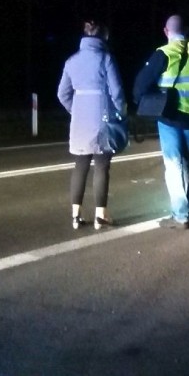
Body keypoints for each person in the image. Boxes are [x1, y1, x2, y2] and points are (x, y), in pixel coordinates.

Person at [133, 14, 189, 229]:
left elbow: (140, 86)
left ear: (166, 32)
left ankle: (181, 214)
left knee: (173, 165)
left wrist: (144, 102)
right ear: (186, 30)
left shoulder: (164, 54)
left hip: (169, 116)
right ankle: (187, 212)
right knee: (186, 163)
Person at [57, 19, 126, 230]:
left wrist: (75, 109)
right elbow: (117, 92)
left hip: (79, 121)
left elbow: (62, 94)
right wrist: (122, 112)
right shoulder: (106, 58)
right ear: (104, 37)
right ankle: (100, 215)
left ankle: (75, 216)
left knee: (80, 166)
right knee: (102, 166)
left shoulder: (71, 61)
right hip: (102, 119)